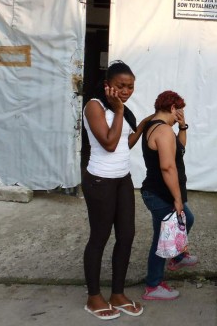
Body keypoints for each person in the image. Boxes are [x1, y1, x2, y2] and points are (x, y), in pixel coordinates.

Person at [82, 61, 150, 320]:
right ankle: (93, 297)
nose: (125, 91)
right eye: (120, 86)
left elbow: (124, 143)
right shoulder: (95, 106)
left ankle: (117, 293)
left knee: (127, 235)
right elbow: (109, 144)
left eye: (130, 87)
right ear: (107, 85)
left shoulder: (123, 111)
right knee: (99, 238)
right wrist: (120, 110)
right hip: (100, 181)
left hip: (123, 179)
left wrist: (142, 124)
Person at [140, 90, 197, 300]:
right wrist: (177, 198)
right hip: (160, 194)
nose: (178, 116)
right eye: (178, 112)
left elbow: (179, 148)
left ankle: (178, 256)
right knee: (160, 240)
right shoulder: (163, 131)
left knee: (187, 219)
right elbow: (167, 167)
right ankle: (153, 286)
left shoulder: (157, 127)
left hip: (159, 193)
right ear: (172, 108)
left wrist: (183, 126)